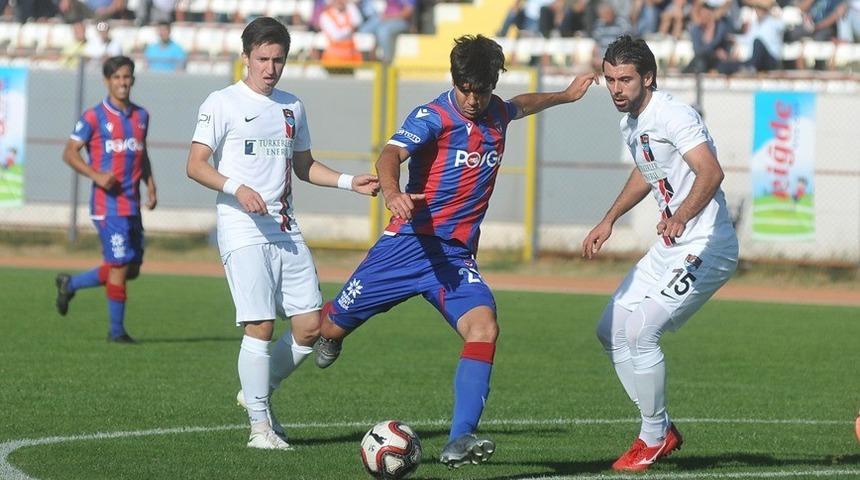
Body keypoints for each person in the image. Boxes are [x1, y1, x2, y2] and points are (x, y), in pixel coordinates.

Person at [313, 34, 597, 468]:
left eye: (481, 90)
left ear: (491, 85)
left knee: (485, 327)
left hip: (454, 257)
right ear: (454, 80)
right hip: (407, 246)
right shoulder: (434, 116)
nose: (472, 98)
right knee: (326, 330)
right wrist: (392, 193)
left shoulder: (497, 112)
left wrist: (565, 95)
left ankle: (460, 438)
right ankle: (332, 330)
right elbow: (390, 154)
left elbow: (523, 103)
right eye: (465, 88)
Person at [185, 17, 379, 451]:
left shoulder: (292, 106)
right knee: (260, 325)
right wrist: (237, 188)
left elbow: (305, 166)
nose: (270, 68)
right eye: (263, 59)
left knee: (311, 326)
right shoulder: (222, 102)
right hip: (242, 228)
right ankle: (260, 427)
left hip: (286, 229)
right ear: (246, 58)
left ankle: (254, 391)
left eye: (278, 60)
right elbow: (196, 164)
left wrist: (351, 182)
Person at [583, 35, 738, 472]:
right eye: (610, 79)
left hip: (707, 245)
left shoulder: (672, 114)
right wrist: (608, 219)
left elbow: (711, 172)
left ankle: (651, 437)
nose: (616, 88)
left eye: (625, 79)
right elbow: (647, 172)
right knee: (610, 328)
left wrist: (683, 215)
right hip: (672, 246)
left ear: (647, 77)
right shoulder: (630, 122)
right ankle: (662, 427)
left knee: (641, 331)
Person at [55, 55, 157, 344]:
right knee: (120, 266)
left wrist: (150, 183)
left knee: (131, 268)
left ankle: (70, 283)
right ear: (107, 81)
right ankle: (116, 332)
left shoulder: (142, 116)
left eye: (126, 77)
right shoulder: (93, 117)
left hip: (132, 203)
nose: (122, 82)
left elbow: (142, 153)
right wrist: (95, 175)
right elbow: (70, 153)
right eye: (116, 78)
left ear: (132, 80)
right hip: (107, 205)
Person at [319, 0, 363, 64]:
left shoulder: (349, 11)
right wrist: (350, 29)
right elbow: (337, 36)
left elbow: (358, 21)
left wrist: (349, 4)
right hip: (333, 60)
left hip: (352, 58)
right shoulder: (325, 15)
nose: (340, 1)